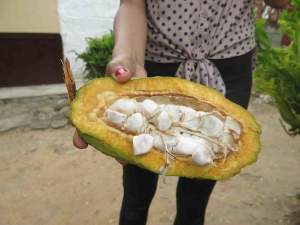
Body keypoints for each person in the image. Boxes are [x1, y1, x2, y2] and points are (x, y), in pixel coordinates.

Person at [73, 1, 289, 224]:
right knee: (137, 191)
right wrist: (129, 55)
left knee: (195, 199)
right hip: (155, 63)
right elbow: (132, 3)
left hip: (229, 64)